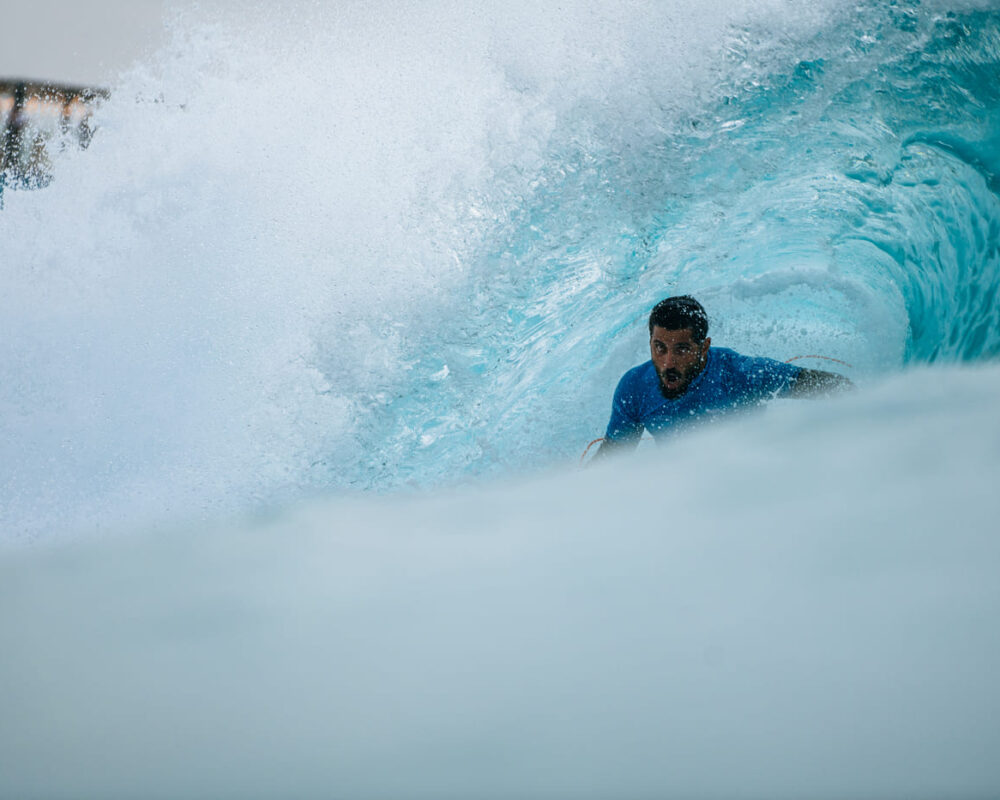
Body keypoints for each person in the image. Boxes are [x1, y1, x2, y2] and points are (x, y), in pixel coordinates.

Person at [596, 295, 852, 456]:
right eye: (659, 348)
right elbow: (612, 459)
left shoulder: (741, 374)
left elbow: (837, 386)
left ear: (704, 347)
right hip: (680, 494)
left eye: (682, 349)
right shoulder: (635, 388)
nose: (668, 362)